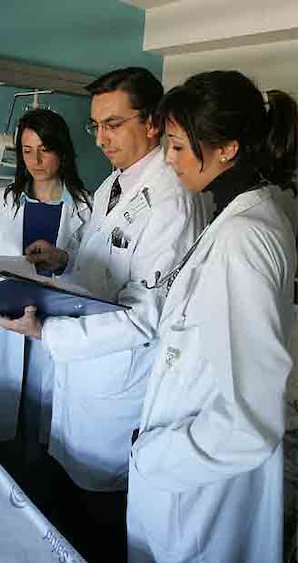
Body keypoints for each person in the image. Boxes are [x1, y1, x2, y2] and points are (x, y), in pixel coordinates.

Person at [0, 67, 207, 561]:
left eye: (113, 123)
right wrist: (63, 259)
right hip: (82, 378)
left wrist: (44, 331)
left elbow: (143, 316)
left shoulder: (172, 201)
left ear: (152, 123)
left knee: (98, 527)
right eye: (96, 126)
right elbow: (106, 266)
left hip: (117, 387)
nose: (102, 138)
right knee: (67, 512)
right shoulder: (116, 184)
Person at [127, 70, 298, 563]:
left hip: (199, 490)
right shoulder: (234, 216)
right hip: (185, 466)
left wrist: (156, 458)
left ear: (227, 149)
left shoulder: (244, 236)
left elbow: (251, 419)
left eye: (179, 146)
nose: (168, 159)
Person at [0, 109, 91, 469]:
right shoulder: (2, 202)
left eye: (44, 149)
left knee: (45, 415)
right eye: (26, 150)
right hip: (2, 322)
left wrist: (61, 259)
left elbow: (94, 275)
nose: (35, 160)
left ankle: (40, 481)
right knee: (0, 416)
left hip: (54, 324)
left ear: (62, 151)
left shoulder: (88, 207)